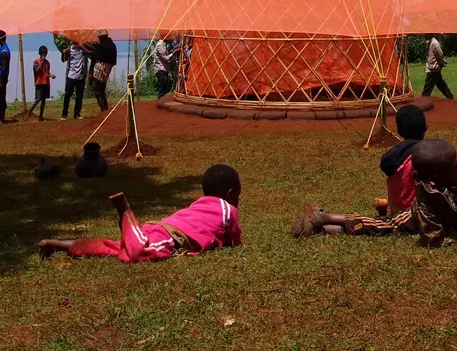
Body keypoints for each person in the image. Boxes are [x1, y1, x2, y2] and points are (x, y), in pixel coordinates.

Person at [39, 164, 242, 261]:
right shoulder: (227, 209)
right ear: (231, 194)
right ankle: (125, 213)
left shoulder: (198, 204)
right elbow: (234, 240)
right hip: (170, 237)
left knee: (115, 248)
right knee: (142, 252)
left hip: (158, 228)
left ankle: (58, 245)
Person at [290, 104, 429, 239]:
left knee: (384, 225)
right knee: (384, 225)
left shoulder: (395, 155)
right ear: (425, 128)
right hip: (410, 213)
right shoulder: (425, 156)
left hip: (398, 207)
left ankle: (325, 228)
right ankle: (325, 217)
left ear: (398, 131)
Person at [88, 32, 117, 113]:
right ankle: (106, 110)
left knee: (97, 89)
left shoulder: (101, 46)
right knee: (102, 89)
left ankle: (104, 110)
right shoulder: (112, 45)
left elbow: (94, 57)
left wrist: (91, 72)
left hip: (100, 66)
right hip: (108, 67)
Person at [61, 39, 88, 120]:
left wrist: (83, 47)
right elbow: (63, 59)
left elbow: (91, 52)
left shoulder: (83, 49)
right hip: (71, 76)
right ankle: (64, 114)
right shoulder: (69, 49)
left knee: (79, 96)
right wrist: (64, 53)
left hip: (81, 76)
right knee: (67, 95)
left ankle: (77, 114)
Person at [421, 35, 453, 100]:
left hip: (433, 68)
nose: (425, 35)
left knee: (427, 88)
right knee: (441, 84)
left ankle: (422, 101)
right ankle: (450, 97)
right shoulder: (430, 42)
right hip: (433, 67)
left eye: (426, 34)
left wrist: (442, 63)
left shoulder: (434, 43)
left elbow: (440, 54)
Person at [29, 45, 55, 121]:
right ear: (40, 53)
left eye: (45, 53)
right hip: (39, 82)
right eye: (43, 53)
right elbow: (37, 71)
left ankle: (41, 116)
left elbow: (46, 72)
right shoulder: (36, 62)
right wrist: (42, 63)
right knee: (38, 99)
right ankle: (29, 113)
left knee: (43, 100)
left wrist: (51, 75)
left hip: (46, 83)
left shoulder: (47, 63)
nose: (45, 55)